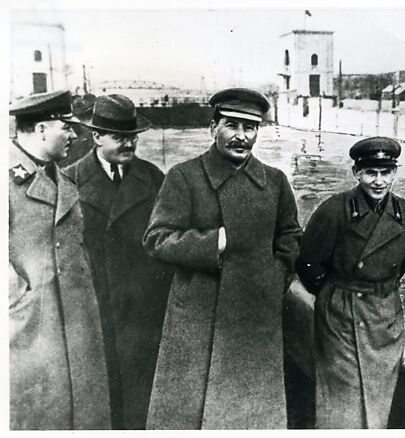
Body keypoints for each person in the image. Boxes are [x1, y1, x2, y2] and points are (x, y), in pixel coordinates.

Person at [143, 87, 302, 429]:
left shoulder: (275, 182)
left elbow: (290, 238)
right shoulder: (184, 176)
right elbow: (156, 239)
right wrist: (213, 243)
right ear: (213, 128)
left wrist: (275, 278)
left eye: (251, 128)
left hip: (254, 319)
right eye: (232, 125)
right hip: (199, 319)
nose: (242, 137)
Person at [64, 94, 173, 429]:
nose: (129, 144)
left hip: (145, 305)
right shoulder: (69, 181)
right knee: (102, 392)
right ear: (96, 137)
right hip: (97, 305)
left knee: (142, 395)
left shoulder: (154, 177)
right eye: (120, 137)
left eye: (133, 136)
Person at [296, 137, 405, 429]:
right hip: (341, 316)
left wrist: (377, 290)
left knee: (378, 402)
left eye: (385, 172)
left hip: (385, 318)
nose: (378, 181)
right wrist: (335, 293)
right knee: (340, 407)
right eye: (370, 173)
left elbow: (404, 261)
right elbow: (308, 262)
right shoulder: (335, 211)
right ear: (356, 173)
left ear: (394, 173)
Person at [8, 89, 111, 430]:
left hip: (76, 319)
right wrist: (18, 298)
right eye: (66, 127)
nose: (74, 134)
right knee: (36, 413)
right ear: (40, 130)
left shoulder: (60, 177)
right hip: (30, 325)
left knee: (82, 412)